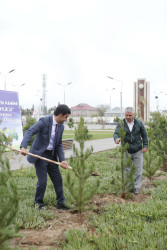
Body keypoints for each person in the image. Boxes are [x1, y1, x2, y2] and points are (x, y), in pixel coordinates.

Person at [20, 104, 71, 210]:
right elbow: (30, 131)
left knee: (58, 179)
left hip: (51, 156)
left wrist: (62, 159)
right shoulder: (44, 121)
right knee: (42, 181)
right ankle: (38, 203)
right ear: (60, 115)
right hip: (40, 155)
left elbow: (59, 145)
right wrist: (23, 147)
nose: (66, 120)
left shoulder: (61, 127)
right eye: (66, 117)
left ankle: (61, 203)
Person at [113, 107, 148, 195]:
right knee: (126, 170)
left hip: (137, 150)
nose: (128, 117)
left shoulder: (139, 123)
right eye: (126, 115)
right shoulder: (121, 123)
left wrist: (145, 146)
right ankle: (127, 187)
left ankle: (137, 187)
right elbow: (116, 133)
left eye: (130, 115)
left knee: (138, 170)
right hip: (126, 150)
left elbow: (144, 135)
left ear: (133, 115)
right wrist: (116, 138)